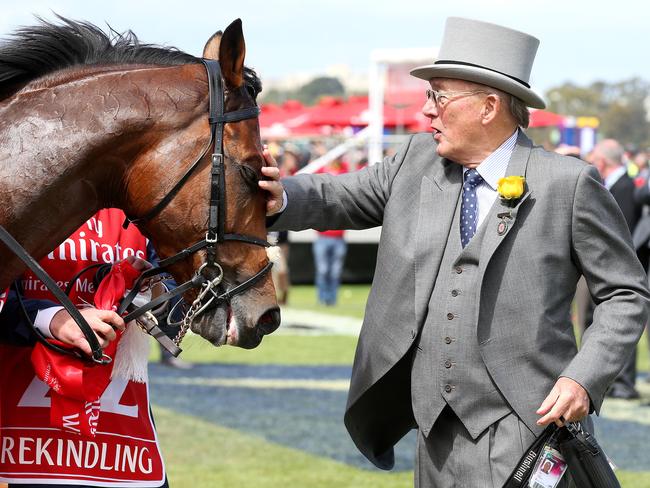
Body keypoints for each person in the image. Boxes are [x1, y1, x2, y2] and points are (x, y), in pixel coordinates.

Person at [259, 17, 650, 487]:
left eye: (439, 95)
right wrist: (279, 196)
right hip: (432, 431)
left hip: (529, 427)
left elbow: (626, 293)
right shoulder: (414, 160)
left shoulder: (568, 184)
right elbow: (338, 195)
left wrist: (583, 378)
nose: (426, 110)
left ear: (488, 107)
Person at [0, 208, 169, 488]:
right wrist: (56, 320)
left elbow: (185, 291)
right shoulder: (14, 187)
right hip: (20, 444)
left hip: (123, 449)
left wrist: (149, 294)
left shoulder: (141, 198)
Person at [585, 139, 642, 399]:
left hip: (619, 266)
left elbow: (626, 232)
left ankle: (624, 383)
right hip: (607, 264)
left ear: (602, 161)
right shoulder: (617, 185)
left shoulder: (625, 187)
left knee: (619, 320)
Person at [313, 157, 349, 306]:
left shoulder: (343, 169)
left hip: (338, 237)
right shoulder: (323, 171)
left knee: (335, 272)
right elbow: (315, 175)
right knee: (322, 270)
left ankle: (331, 300)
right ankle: (322, 299)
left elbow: (346, 174)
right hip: (322, 236)